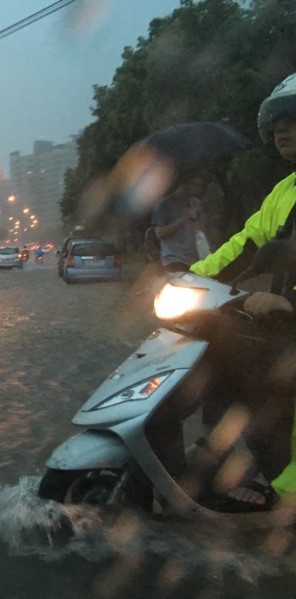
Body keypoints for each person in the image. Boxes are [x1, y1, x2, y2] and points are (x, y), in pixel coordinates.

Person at [188, 72, 296, 509]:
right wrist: (186, 277)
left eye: (295, 118)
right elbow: (243, 246)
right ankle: (234, 461)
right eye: (278, 121)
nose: (283, 129)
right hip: (284, 322)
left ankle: (287, 498)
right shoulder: (284, 192)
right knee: (223, 359)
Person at [151, 168, 209, 272]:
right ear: (185, 184)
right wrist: (185, 218)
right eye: (195, 185)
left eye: (201, 185)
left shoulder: (196, 203)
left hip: (194, 260)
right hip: (174, 260)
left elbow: (201, 230)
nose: (199, 188)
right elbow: (160, 234)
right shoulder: (164, 205)